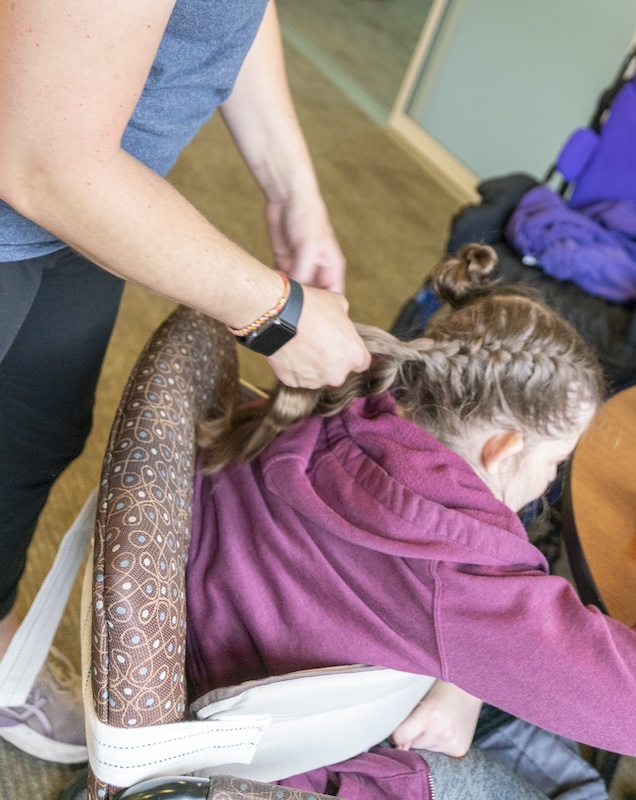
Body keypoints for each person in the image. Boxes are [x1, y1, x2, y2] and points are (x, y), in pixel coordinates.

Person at [185, 244, 636, 800]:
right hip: (295, 771)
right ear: (503, 451)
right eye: (555, 463)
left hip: (229, 681)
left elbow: (425, 597)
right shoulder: (452, 570)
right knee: (581, 786)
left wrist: (457, 676)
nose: (551, 484)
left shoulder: (339, 407)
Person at [0, 0, 370, 763]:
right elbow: (45, 161)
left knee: (25, 450)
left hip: (86, 208)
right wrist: (274, 315)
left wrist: (291, 191)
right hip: (49, 178)